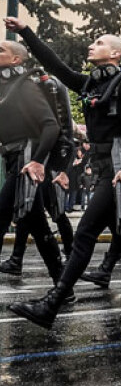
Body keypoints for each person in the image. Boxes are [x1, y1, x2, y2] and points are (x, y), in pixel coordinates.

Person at [5, 17, 121, 327]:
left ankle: (52, 304)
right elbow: (55, 65)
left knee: (85, 234)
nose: (92, 45)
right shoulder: (92, 84)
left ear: (116, 54)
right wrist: (26, 32)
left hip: (117, 170)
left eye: (100, 43)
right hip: (104, 168)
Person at [0, 37, 67, 294]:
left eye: (1, 50)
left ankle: (63, 286)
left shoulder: (26, 87)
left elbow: (51, 124)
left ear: (16, 59)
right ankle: (63, 285)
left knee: (1, 216)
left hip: (26, 159)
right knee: (37, 225)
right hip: (12, 159)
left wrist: (38, 161)